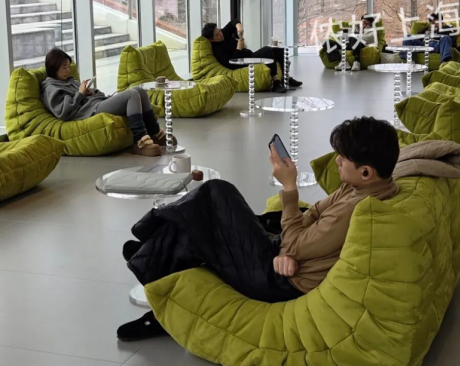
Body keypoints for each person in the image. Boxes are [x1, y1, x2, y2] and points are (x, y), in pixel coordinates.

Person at [117, 116, 400, 341]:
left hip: (278, 282)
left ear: (366, 172)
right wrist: (291, 248)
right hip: (284, 258)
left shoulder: (355, 209)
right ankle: (153, 255)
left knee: (216, 192)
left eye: (343, 158)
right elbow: (313, 213)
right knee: (204, 216)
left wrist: (289, 187)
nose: (337, 160)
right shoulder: (359, 187)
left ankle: (150, 243)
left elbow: (299, 240)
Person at [40, 48, 169, 157]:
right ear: (54, 67)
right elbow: (63, 112)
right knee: (132, 95)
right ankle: (140, 141)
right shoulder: (51, 88)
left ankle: (155, 133)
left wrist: (90, 92)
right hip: (90, 111)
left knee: (140, 91)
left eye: (68, 67)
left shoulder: (70, 80)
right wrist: (80, 94)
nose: (68, 70)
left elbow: (84, 96)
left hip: (97, 103)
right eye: (64, 67)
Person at [202, 19, 302, 92]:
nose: (220, 34)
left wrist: (239, 28)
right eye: (217, 35)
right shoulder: (217, 50)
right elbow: (231, 64)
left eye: (219, 31)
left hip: (249, 55)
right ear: (211, 39)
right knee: (267, 50)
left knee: (278, 49)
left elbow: (234, 21)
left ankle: (286, 78)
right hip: (241, 62)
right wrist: (239, 48)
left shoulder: (223, 34)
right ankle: (276, 83)